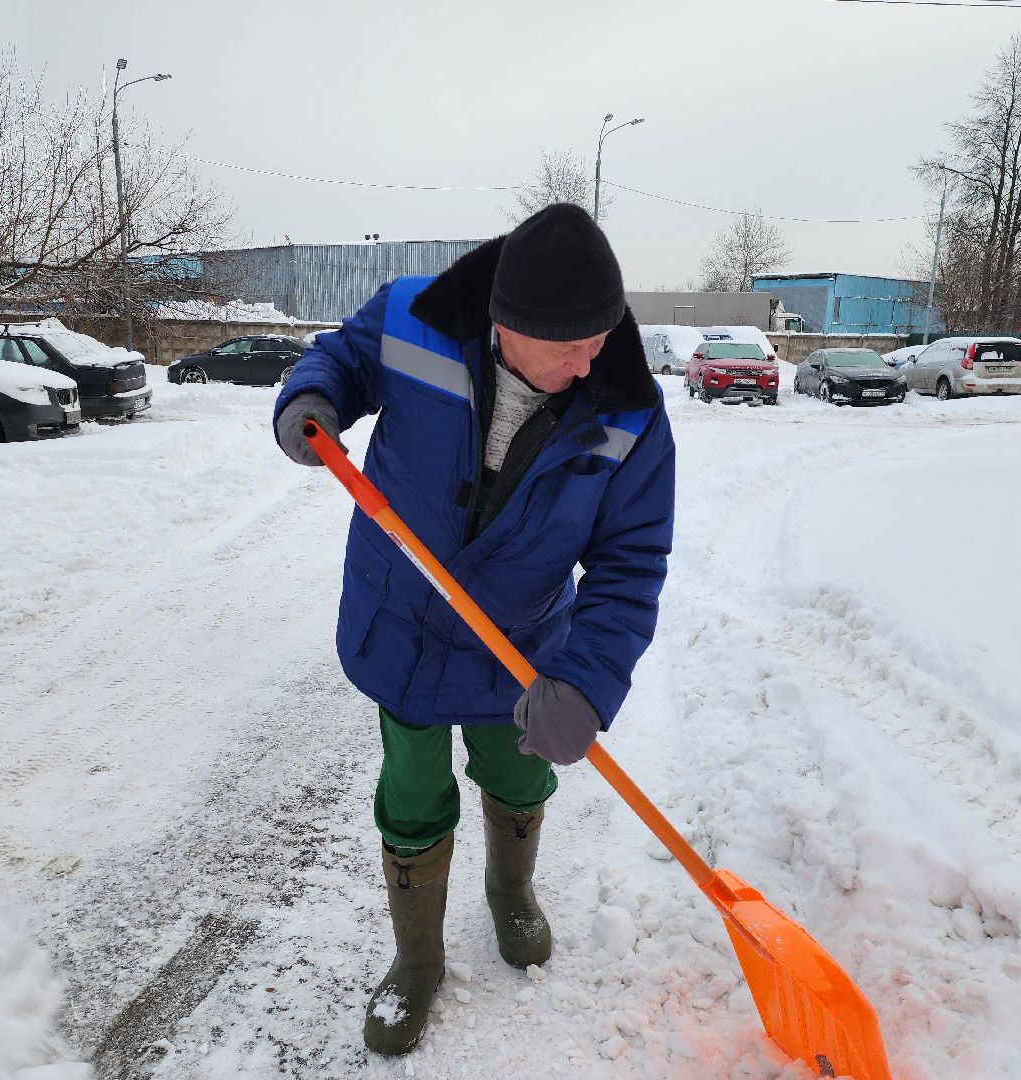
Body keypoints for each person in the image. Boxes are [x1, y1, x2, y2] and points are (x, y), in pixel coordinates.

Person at [273, 203, 675, 1055]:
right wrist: (314, 395)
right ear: (505, 321)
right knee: (413, 792)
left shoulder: (631, 414)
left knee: (519, 778)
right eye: (568, 343)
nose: (590, 356)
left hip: (520, 645)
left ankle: (511, 889)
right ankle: (417, 958)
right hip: (402, 621)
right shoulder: (418, 315)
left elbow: (631, 565)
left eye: (600, 335)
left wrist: (589, 684)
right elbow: (341, 356)